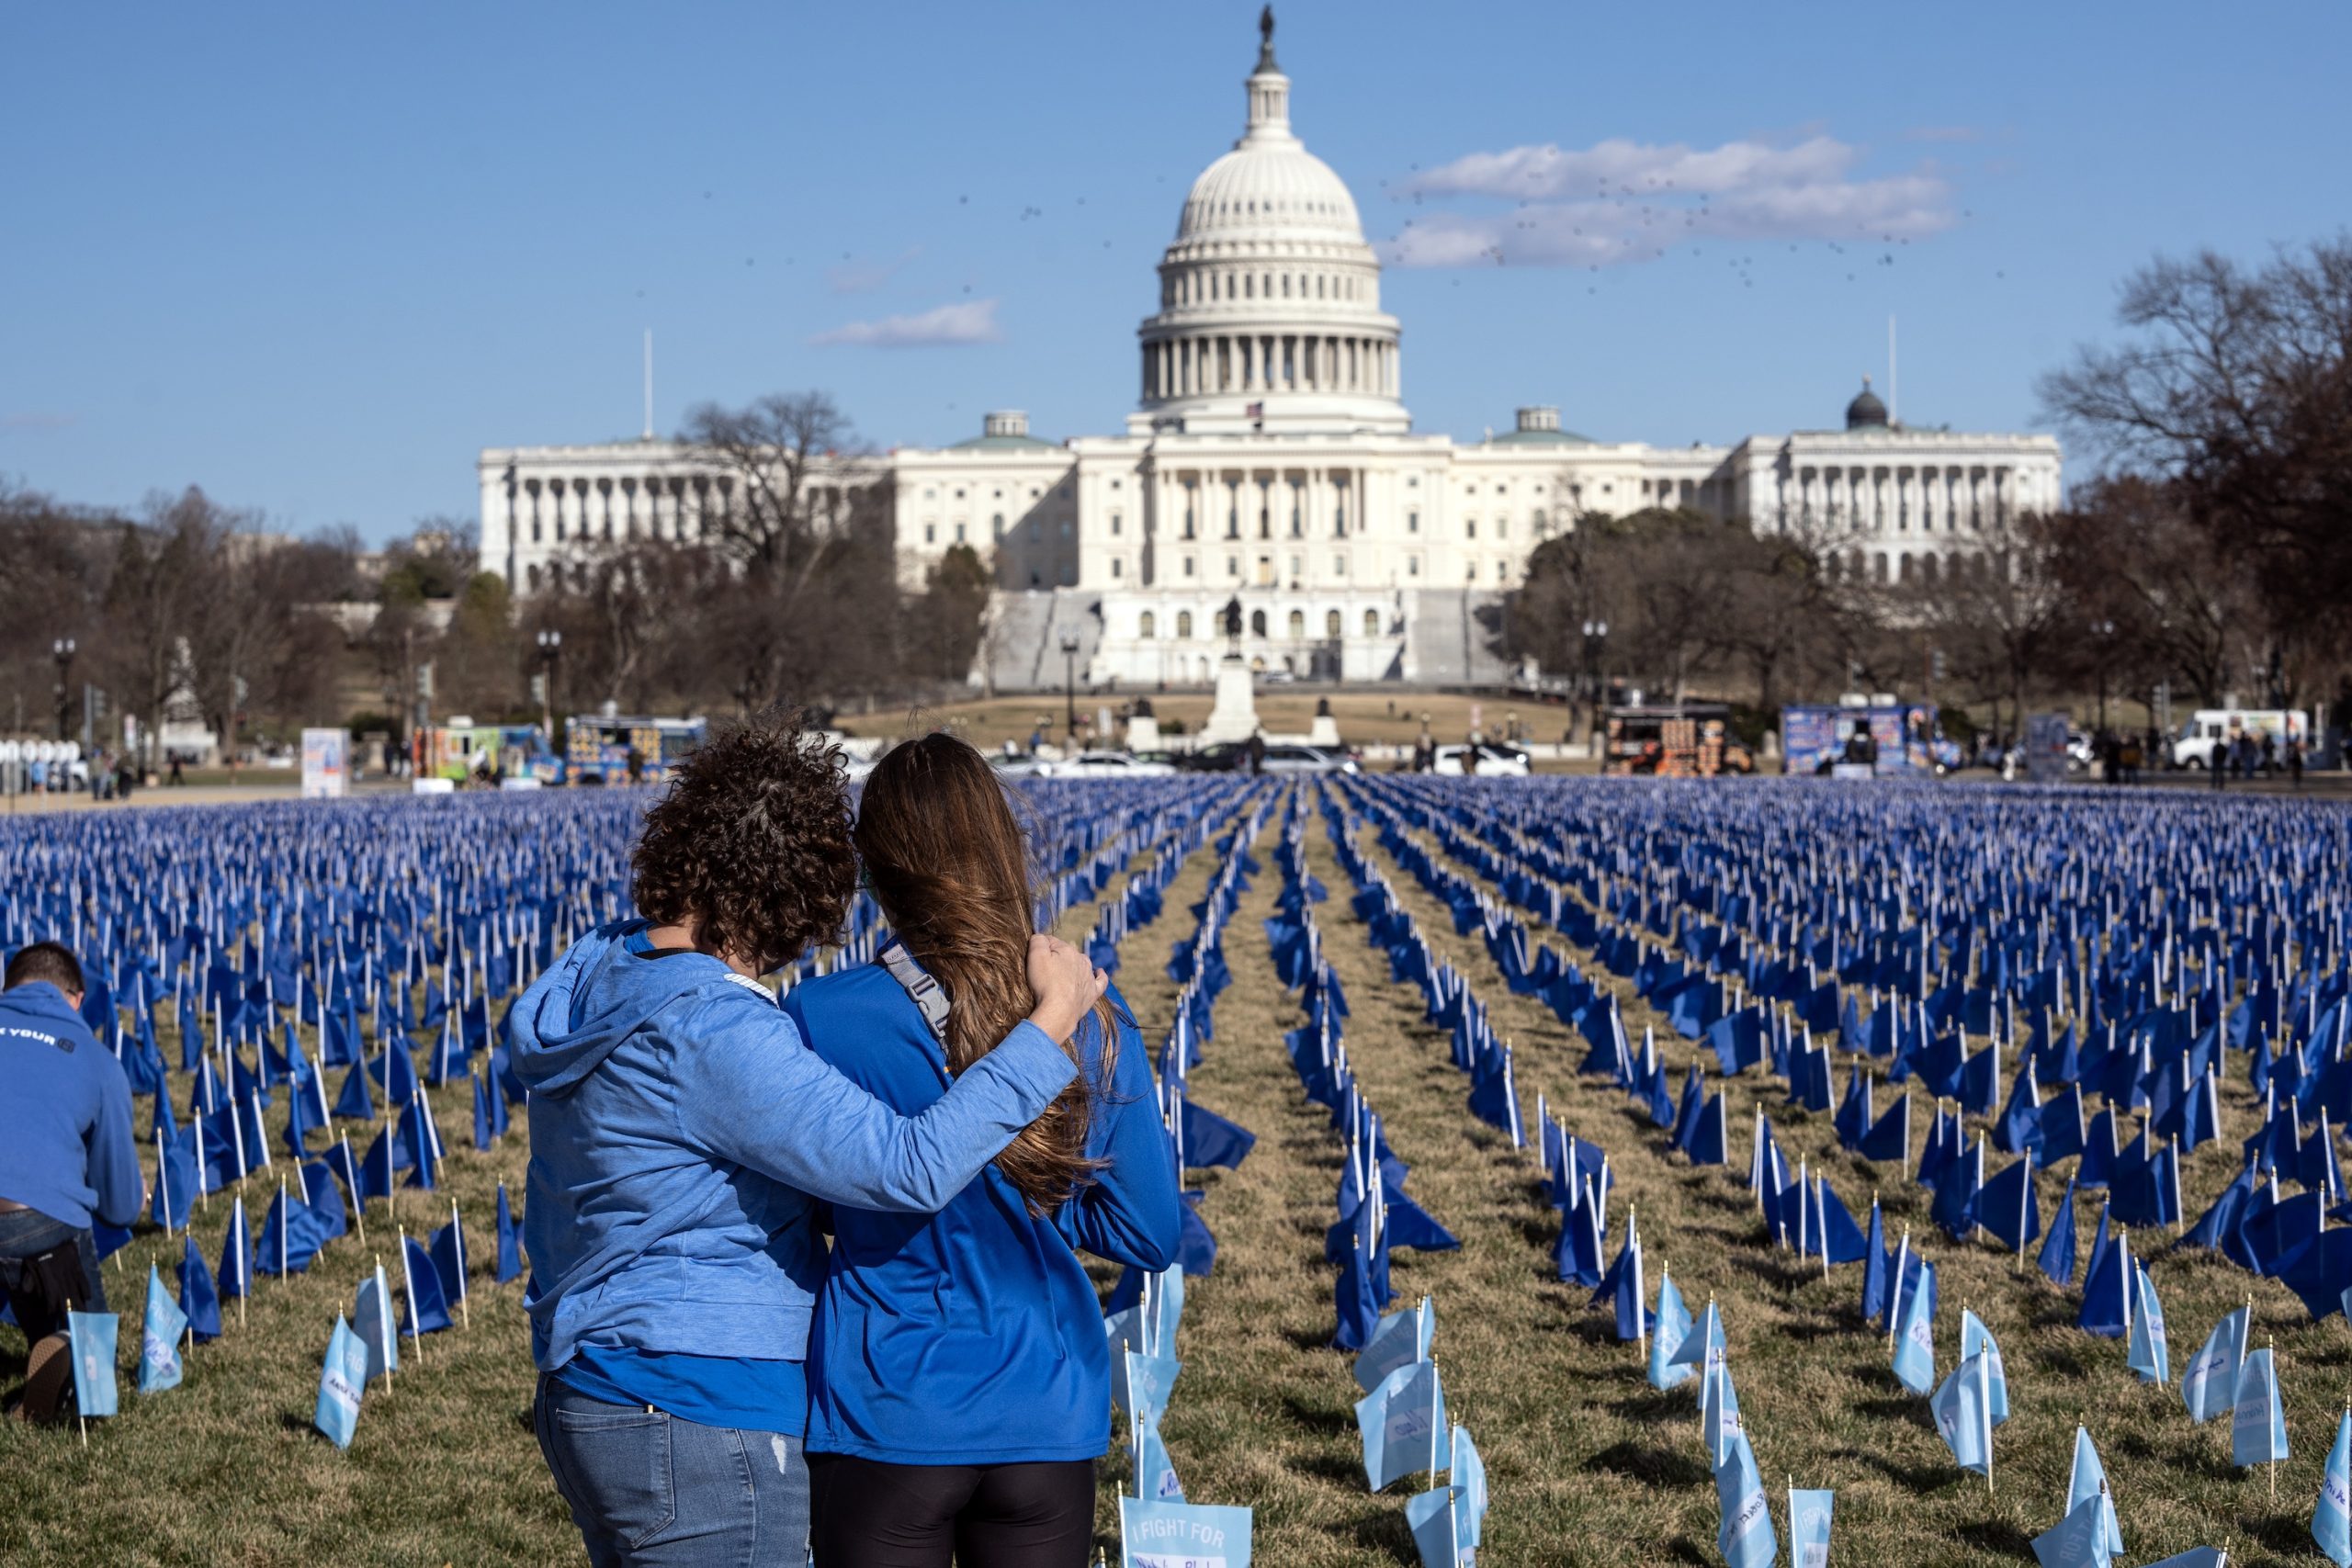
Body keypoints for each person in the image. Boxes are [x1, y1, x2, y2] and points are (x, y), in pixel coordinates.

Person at [514, 712, 1108, 1568]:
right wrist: (1052, 1019)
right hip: (699, 1404)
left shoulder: (603, 970)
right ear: (787, 892)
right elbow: (909, 1166)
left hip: (595, 1388)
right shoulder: (714, 1031)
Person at [790, 734, 1182, 1568]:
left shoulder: (819, 1017)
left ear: (877, 869)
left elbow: (803, 1204)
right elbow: (1153, 1231)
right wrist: (1037, 1184)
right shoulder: (1089, 1019)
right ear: (1006, 847)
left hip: (887, 1403)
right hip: (1043, 1406)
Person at [0, 942, 142, 1422]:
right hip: (35, 1218)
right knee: (58, 1259)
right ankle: (80, 1375)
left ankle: (49, 1343)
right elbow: (120, 1208)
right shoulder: (98, 1060)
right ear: (76, 999)